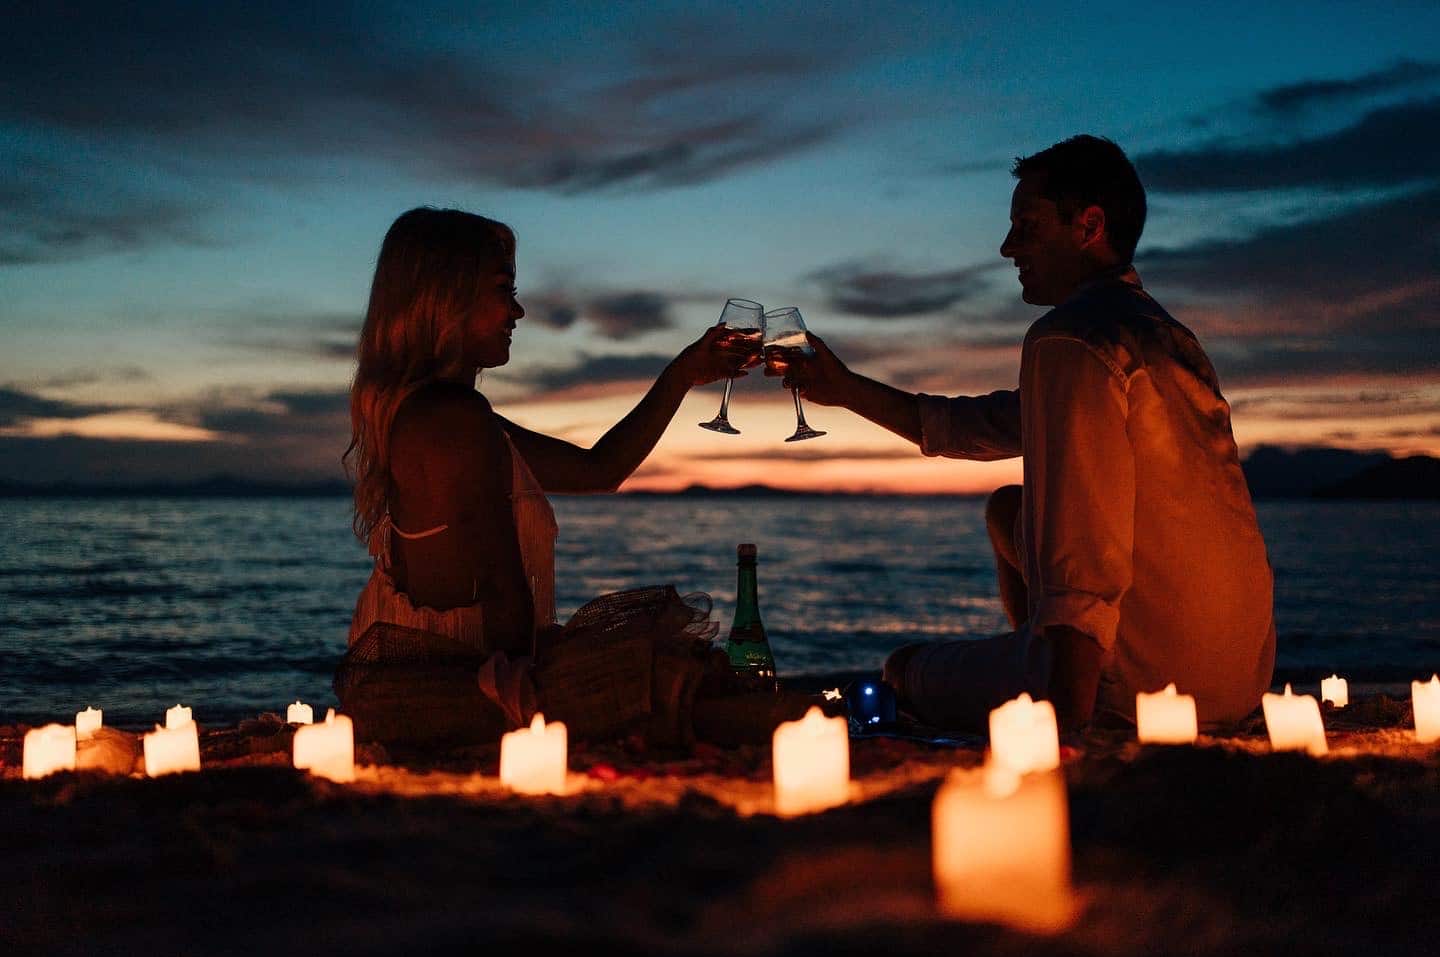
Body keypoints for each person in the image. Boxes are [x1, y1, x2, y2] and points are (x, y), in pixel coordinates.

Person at [777, 135, 1275, 733]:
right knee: (1007, 510)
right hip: (1236, 680)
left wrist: (1063, 731)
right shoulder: (1163, 336)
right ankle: (1033, 656)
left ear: (1089, 226)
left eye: (1027, 226)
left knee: (901, 669)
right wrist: (846, 389)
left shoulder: (1067, 339)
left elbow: (1083, 545)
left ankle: (1051, 682)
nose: (1008, 246)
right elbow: (970, 427)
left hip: (1138, 688)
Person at [340, 207, 808, 749]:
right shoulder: (453, 418)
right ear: (445, 299)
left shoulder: (438, 412)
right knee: (678, 692)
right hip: (470, 690)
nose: (518, 310)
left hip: (462, 673)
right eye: (503, 289)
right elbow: (502, 589)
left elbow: (599, 469)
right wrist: (534, 721)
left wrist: (682, 374)